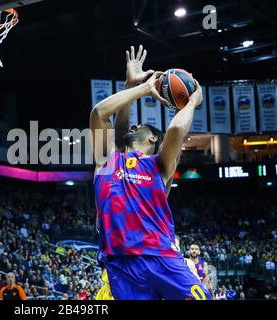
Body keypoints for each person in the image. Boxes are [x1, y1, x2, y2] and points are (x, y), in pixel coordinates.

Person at [90, 43, 210, 300]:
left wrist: (191, 103)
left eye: (141, 125)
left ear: (154, 139)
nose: (134, 126)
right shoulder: (108, 162)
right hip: (122, 265)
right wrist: (137, 86)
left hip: (162, 258)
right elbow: (99, 114)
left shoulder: (159, 165)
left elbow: (176, 131)